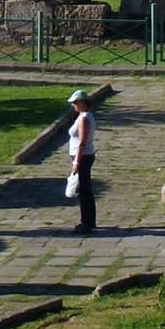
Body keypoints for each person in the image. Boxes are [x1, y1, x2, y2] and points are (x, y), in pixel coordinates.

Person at [67, 88, 97, 234]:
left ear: (82, 103)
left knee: (83, 191)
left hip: (83, 157)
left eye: (75, 102)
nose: (73, 105)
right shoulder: (85, 116)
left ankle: (86, 222)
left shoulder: (84, 118)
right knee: (85, 189)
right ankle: (90, 220)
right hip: (85, 156)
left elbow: (82, 142)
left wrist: (76, 163)